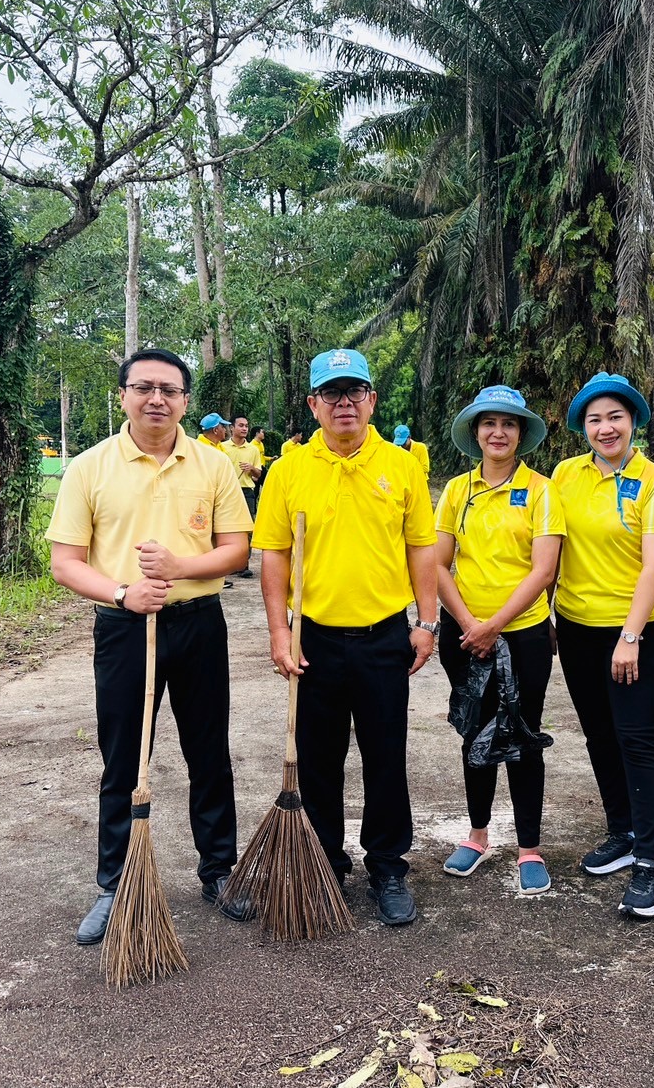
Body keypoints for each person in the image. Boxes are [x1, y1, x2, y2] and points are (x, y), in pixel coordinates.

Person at [46, 347, 254, 946]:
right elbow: (66, 563)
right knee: (121, 758)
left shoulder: (213, 466)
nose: (156, 398)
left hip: (198, 624)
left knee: (209, 753)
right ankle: (114, 885)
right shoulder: (89, 467)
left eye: (169, 389)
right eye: (144, 388)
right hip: (123, 627)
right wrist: (121, 594)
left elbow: (236, 550)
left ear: (186, 400)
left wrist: (179, 567)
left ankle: (219, 871)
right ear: (123, 396)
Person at [253, 348, 439, 926]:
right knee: (318, 758)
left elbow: (421, 549)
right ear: (313, 404)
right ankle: (326, 861)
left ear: (372, 401)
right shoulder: (288, 470)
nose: (344, 403)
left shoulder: (403, 466)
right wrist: (280, 633)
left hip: (385, 635)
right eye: (331, 394)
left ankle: (387, 864)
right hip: (315, 639)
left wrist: (427, 622)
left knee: (386, 755)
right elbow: (275, 557)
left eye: (354, 391)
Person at [551, 373, 654, 918]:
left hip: (635, 633)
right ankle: (622, 831)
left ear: (633, 423)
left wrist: (629, 636)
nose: (606, 428)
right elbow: (550, 549)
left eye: (615, 417)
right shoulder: (564, 475)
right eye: (595, 419)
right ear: (584, 426)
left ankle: (650, 862)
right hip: (576, 628)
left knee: (636, 739)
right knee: (599, 736)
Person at [434, 386, 564, 895]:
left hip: (524, 634)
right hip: (463, 635)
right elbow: (438, 564)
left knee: (524, 735)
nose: (498, 432)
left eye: (509, 424)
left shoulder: (541, 490)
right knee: (476, 733)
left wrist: (495, 625)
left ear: (521, 434)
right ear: (475, 432)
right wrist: (469, 623)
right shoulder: (456, 491)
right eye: (488, 423)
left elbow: (544, 568)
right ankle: (477, 835)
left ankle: (529, 847)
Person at [228, 416, 264, 578]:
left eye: (246, 426)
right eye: (241, 425)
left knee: (246, 528)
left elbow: (259, 475)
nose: (244, 429)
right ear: (232, 428)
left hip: (247, 491)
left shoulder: (253, 450)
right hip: (227, 492)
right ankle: (226, 564)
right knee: (225, 527)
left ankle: (243, 564)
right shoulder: (222, 448)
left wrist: (252, 469)